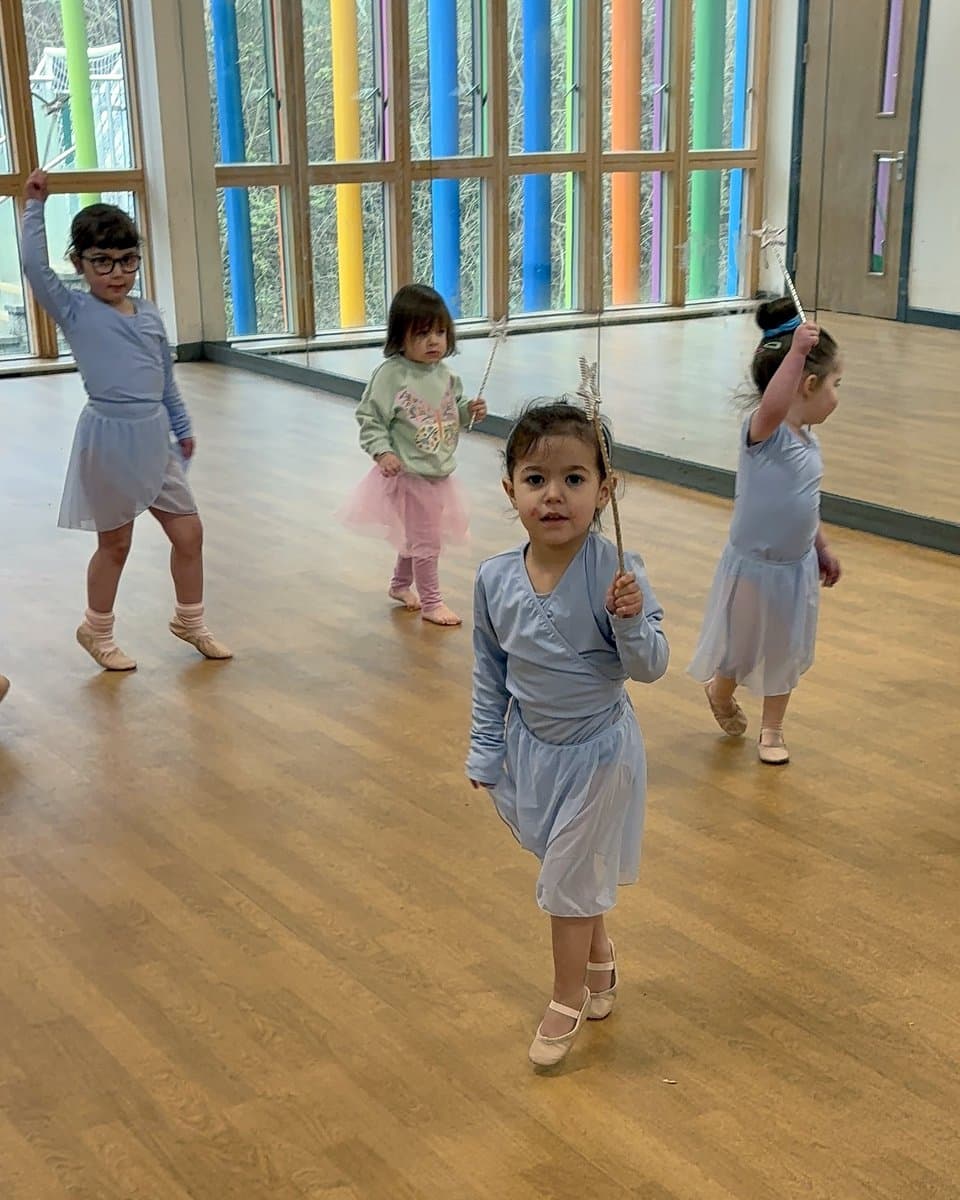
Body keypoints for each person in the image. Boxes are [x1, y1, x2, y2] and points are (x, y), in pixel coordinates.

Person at [466, 401, 669, 1067]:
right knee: (571, 870)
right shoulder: (495, 579)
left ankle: (565, 996)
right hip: (532, 749)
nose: (554, 496)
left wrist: (633, 620)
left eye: (575, 479)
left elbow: (651, 668)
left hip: (599, 754)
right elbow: (489, 671)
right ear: (510, 490)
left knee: (564, 883)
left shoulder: (617, 573)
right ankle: (601, 957)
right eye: (536, 479)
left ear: (604, 490)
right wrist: (486, 746)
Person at [20, 170, 231, 671]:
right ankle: (96, 629)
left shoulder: (151, 314)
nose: (117, 272)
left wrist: (181, 427)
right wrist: (34, 207)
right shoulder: (73, 310)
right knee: (115, 543)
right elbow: (31, 264)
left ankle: (190, 620)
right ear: (80, 264)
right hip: (108, 439)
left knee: (189, 534)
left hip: (155, 438)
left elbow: (164, 381)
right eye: (103, 262)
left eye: (127, 260)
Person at [688, 299, 842, 764]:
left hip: (793, 570)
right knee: (740, 646)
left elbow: (805, 505)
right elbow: (776, 403)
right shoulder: (763, 434)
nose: (839, 395)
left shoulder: (808, 443)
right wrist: (796, 354)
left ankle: (772, 730)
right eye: (837, 384)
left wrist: (821, 547)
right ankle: (721, 690)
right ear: (808, 385)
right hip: (754, 567)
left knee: (784, 650)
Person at [339, 284, 486, 627]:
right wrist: (382, 451)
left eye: (440, 332)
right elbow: (370, 416)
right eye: (422, 334)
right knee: (426, 540)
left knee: (416, 535)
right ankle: (432, 602)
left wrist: (469, 412)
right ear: (400, 338)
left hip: (439, 471)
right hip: (409, 473)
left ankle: (400, 584)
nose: (434, 341)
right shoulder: (393, 375)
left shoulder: (448, 376)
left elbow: (450, 415)